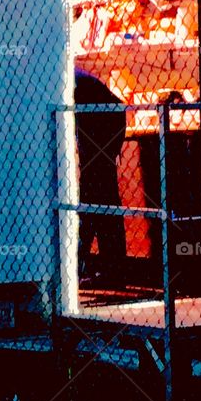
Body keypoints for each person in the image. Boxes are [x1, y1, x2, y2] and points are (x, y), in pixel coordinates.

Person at [74, 68, 128, 286]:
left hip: (97, 143)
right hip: (100, 144)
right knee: (101, 206)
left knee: (92, 206)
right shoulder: (81, 82)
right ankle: (110, 268)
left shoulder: (76, 85)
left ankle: (84, 265)